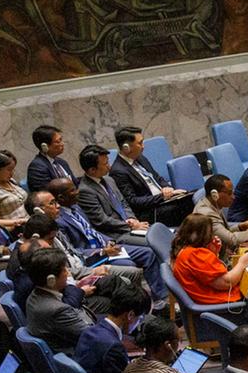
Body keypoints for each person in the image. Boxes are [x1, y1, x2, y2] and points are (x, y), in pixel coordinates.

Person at [49, 173, 164, 301]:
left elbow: (92, 230)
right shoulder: (59, 221)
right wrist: (102, 251)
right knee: (129, 265)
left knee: (148, 253)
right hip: (94, 257)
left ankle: (161, 297)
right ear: (61, 197)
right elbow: (74, 250)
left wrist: (109, 241)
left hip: (106, 247)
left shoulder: (76, 208)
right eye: (72, 190)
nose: (77, 192)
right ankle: (137, 302)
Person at [74, 284, 151, 373]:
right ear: (130, 315)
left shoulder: (90, 331)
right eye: (140, 318)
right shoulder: (113, 347)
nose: (138, 324)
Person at [25, 248, 94, 352]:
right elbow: (92, 335)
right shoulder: (57, 310)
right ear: (51, 280)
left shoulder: (34, 294)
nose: (68, 273)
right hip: (78, 351)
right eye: (64, 270)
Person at [171, 214, 248, 305]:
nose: (211, 236)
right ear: (201, 235)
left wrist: (213, 253)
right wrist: (242, 263)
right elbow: (227, 283)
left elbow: (205, 275)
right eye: (209, 233)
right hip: (222, 302)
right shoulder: (195, 255)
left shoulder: (183, 249)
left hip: (208, 297)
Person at [76, 144, 150, 238]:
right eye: (105, 164)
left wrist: (132, 219)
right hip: (116, 234)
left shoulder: (109, 180)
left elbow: (123, 203)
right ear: (92, 170)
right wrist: (130, 226)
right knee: (152, 241)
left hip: (131, 226)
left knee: (160, 233)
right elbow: (102, 221)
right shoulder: (85, 191)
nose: (109, 166)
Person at [109, 125, 179, 220]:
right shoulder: (118, 171)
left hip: (163, 201)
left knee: (190, 197)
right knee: (186, 205)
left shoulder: (141, 158)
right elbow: (133, 201)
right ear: (126, 148)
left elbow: (157, 177)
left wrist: (167, 187)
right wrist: (161, 197)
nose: (143, 146)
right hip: (150, 211)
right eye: (140, 143)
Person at [191, 174, 248, 249]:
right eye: (229, 193)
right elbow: (231, 240)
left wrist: (241, 226)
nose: (233, 197)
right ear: (215, 195)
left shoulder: (212, 204)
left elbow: (222, 231)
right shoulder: (207, 214)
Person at [27, 125, 75, 192]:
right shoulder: (37, 167)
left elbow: (75, 183)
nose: (62, 144)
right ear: (44, 146)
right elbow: (46, 193)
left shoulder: (62, 162)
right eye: (58, 142)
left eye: (61, 140)